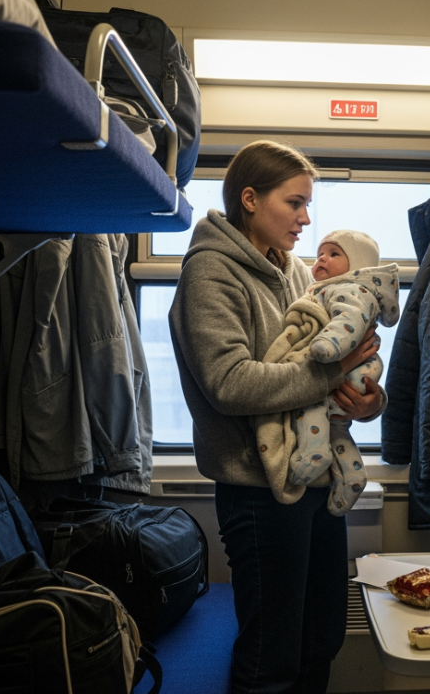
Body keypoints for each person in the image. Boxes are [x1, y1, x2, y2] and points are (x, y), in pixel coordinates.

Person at [168, 140, 384, 694]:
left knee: (321, 639)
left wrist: (365, 402)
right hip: (257, 489)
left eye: (307, 204)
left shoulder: (289, 271)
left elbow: (320, 364)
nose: (306, 219)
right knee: (272, 657)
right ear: (249, 199)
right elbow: (230, 384)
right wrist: (333, 377)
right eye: (294, 203)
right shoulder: (211, 274)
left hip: (313, 475)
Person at [251, 230, 400, 516]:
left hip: (333, 373)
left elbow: (349, 319)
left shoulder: (346, 288)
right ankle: (352, 475)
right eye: (321, 253)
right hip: (261, 481)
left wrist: (372, 402)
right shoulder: (320, 285)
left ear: (358, 267)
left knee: (314, 409)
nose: (321, 259)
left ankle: (313, 454)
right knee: (337, 431)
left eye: (333, 254)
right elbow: (233, 385)